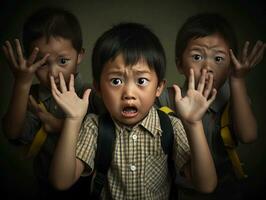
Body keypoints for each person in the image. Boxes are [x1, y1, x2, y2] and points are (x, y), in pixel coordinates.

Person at [49, 22, 217, 200]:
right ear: (98, 87)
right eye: (116, 81)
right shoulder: (94, 127)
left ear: (159, 87)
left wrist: (193, 124)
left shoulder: (170, 126)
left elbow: (206, 185)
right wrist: (73, 119)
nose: (129, 94)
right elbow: (61, 182)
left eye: (142, 81)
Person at [156, 12, 265, 200]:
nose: (207, 67)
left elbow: (248, 135)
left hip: (226, 189)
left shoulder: (231, 96)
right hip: (177, 190)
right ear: (180, 65)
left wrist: (237, 80)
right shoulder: (167, 98)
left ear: (230, 66)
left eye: (219, 59)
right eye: (197, 57)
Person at [1, 6, 102, 199]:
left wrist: (58, 125)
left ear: (79, 56)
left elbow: (109, 133)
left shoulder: (91, 93)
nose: (54, 73)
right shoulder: (32, 96)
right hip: (47, 187)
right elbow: (12, 132)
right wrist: (22, 84)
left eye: (63, 61)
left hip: (91, 188)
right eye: (44, 63)